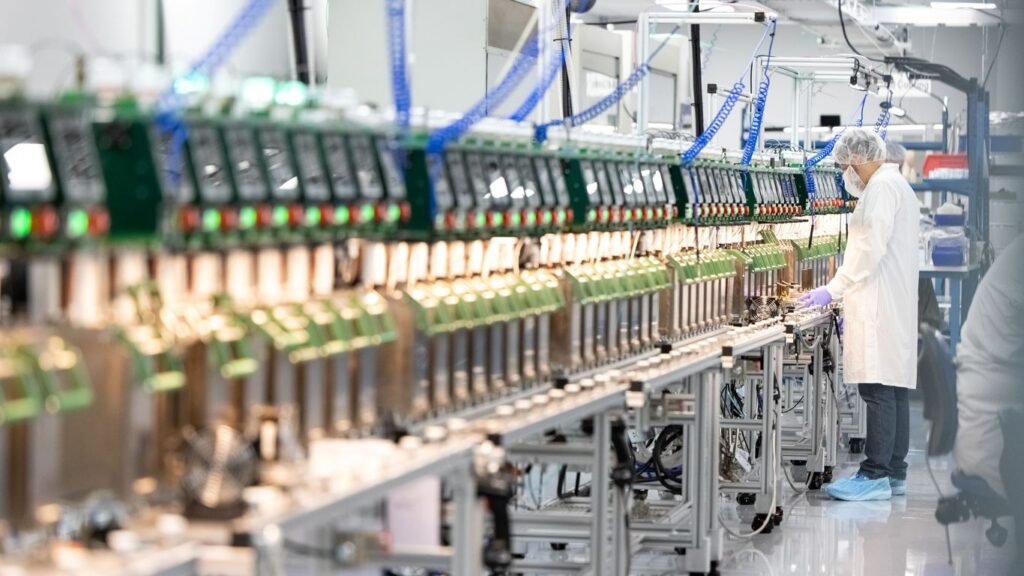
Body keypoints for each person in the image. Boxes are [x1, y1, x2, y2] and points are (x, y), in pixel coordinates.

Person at [799, 128, 920, 501]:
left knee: (878, 390)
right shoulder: (893, 184)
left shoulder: (882, 189)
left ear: (857, 160)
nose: (845, 174)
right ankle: (894, 471)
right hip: (889, 302)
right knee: (894, 389)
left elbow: (868, 250)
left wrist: (833, 290)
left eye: (845, 166)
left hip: (880, 305)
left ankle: (874, 474)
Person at [886, 141, 943, 331]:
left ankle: (928, 331)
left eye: (899, 165)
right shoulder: (885, 190)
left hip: (896, 269)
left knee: (922, 283)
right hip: (891, 271)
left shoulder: (896, 190)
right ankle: (929, 329)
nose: (898, 169)